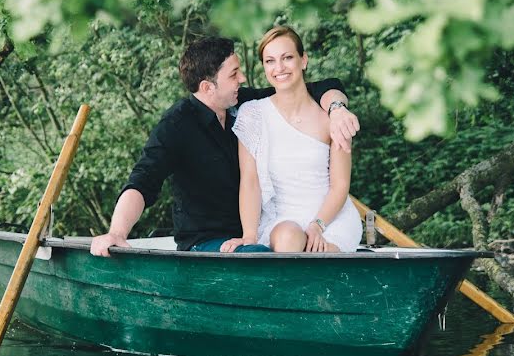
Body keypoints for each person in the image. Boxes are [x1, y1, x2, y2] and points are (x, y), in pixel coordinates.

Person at [90, 36, 359, 257]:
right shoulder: (176, 125)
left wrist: (336, 109)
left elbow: (317, 86)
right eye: (234, 74)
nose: (243, 79)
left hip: (252, 234)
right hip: (207, 243)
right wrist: (117, 232)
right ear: (208, 87)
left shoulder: (242, 103)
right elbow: (142, 181)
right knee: (267, 258)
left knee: (278, 252)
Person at [223, 26, 362, 254]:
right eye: (270, 61)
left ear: (303, 60)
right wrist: (249, 236)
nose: (279, 68)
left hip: (330, 219)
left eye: (287, 58)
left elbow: (340, 185)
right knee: (289, 237)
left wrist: (317, 226)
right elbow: (250, 181)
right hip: (282, 218)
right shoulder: (253, 114)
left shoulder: (332, 118)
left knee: (323, 255)